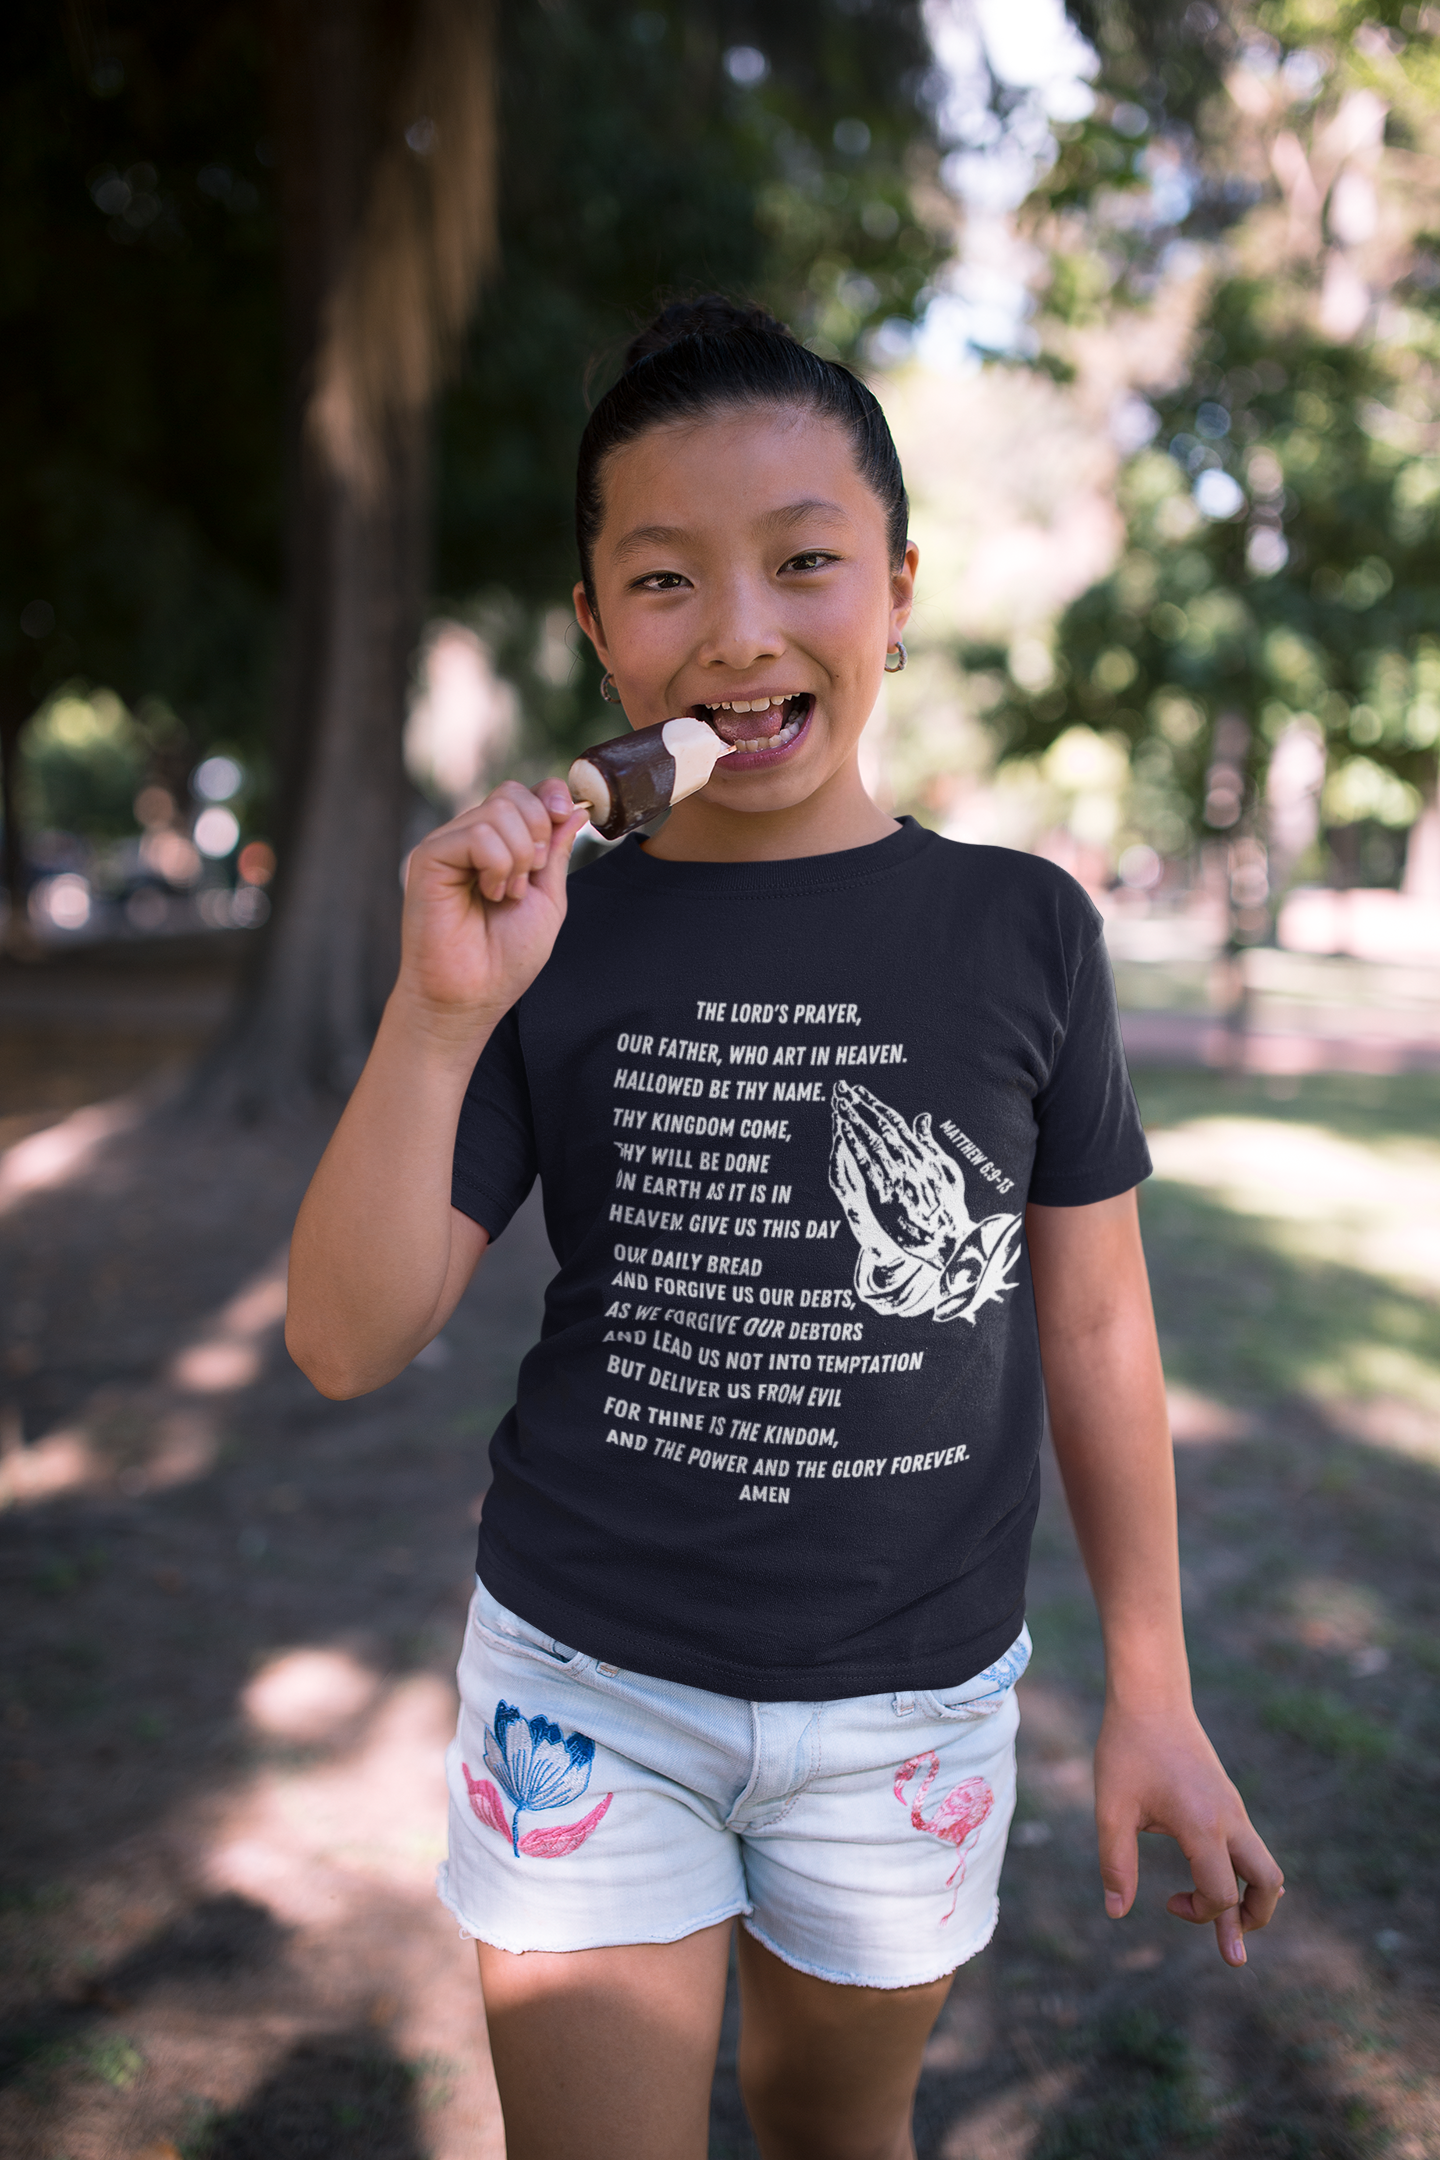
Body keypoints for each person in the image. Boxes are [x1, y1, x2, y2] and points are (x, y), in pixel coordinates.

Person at [285, 295, 1283, 2160]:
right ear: (597, 630)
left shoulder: (1024, 929)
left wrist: (1150, 1689)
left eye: (805, 561)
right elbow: (345, 1338)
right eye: (665, 582)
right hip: (588, 1691)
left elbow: (1092, 1332)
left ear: (897, 589)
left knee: (841, 2136)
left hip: (908, 1707)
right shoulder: (549, 932)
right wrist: (440, 1017)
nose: (739, 631)